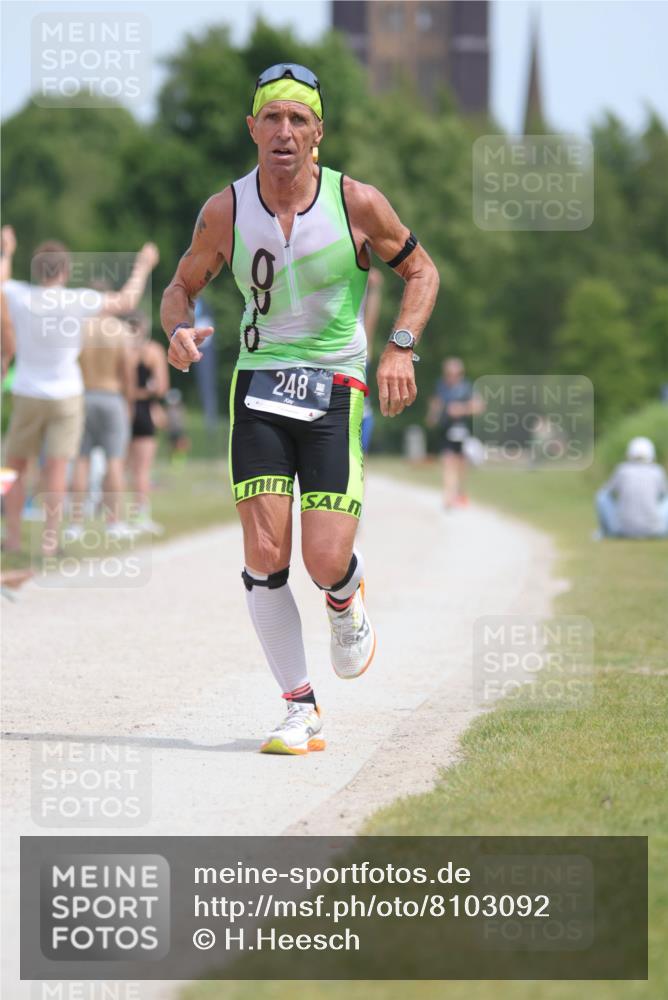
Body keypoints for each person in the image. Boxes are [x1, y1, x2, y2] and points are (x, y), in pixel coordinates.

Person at [161, 63, 439, 755]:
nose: (284, 131)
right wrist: (177, 330)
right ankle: (299, 708)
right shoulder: (226, 210)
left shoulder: (357, 203)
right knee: (264, 553)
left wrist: (401, 347)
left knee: (322, 557)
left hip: (334, 385)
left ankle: (344, 594)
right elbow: (180, 286)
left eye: (298, 120)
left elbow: (421, 270)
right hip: (258, 383)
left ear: (319, 133)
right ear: (252, 129)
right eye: (272, 118)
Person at [0, 225, 158, 555]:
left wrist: (7, 252)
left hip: (27, 391)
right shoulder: (77, 300)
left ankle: (12, 538)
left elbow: (2, 280)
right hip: (67, 395)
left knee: (14, 467)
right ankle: (49, 541)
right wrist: (143, 266)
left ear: (36, 269)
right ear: (66, 270)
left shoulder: (19, 295)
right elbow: (127, 300)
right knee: (57, 469)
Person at [67, 311, 137, 540]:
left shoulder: (80, 329)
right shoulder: (120, 330)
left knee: (81, 460)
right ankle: (113, 522)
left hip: (83, 395)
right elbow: (128, 370)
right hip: (111, 396)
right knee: (115, 461)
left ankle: (76, 524)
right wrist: (129, 402)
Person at [127, 311, 169, 535]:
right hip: (143, 410)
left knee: (117, 467)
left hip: (122, 409)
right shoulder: (152, 351)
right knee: (142, 470)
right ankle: (140, 516)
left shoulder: (121, 350)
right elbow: (161, 388)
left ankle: (114, 517)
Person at [426, 357, 483, 509]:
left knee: (462, 465)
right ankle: (448, 496)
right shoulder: (440, 386)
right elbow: (435, 405)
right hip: (446, 431)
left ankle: (460, 493)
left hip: (464, 432)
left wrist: (461, 409)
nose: (452, 377)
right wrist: (432, 417)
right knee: (448, 462)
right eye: (448, 373)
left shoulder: (467, 387)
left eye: (456, 374)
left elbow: (479, 406)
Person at [596, 436, 668, 539]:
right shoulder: (657, 471)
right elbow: (663, 495)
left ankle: (603, 532)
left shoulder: (622, 470)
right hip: (656, 530)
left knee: (601, 495)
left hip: (622, 530)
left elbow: (607, 493)